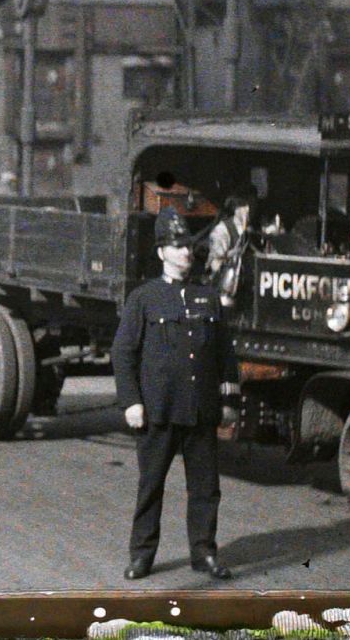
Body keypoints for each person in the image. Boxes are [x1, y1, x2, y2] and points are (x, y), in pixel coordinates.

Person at [112, 206, 240, 582]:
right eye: (177, 247)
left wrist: (229, 402)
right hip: (158, 411)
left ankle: (204, 554)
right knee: (151, 487)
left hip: (200, 410)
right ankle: (141, 556)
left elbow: (225, 355)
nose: (186, 253)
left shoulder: (207, 298)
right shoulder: (144, 298)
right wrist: (131, 401)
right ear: (161, 253)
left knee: (205, 490)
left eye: (188, 247)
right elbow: (123, 352)